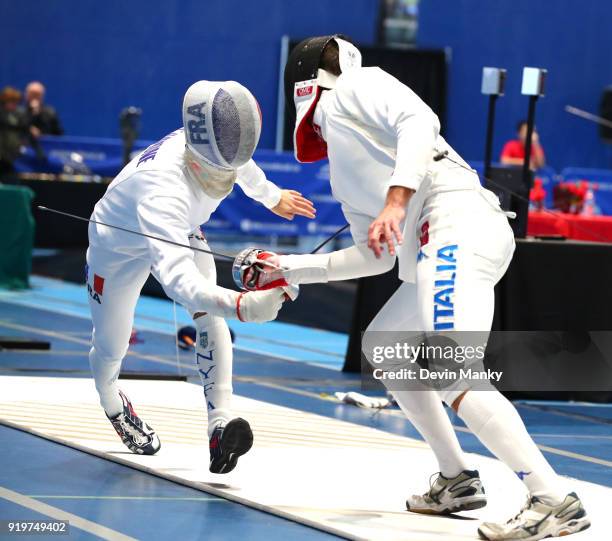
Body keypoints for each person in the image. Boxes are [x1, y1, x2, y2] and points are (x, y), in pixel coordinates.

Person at [239, 36, 589, 540]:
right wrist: (289, 268)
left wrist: (398, 201)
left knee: (451, 367)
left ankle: (553, 498)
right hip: (441, 242)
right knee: (384, 345)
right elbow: (373, 255)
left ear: (304, 80)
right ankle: (456, 479)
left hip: (456, 224)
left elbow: (419, 124)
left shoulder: (359, 86)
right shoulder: (342, 171)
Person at [87, 80, 315, 474]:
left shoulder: (219, 140)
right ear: (199, 154)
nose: (232, 168)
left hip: (184, 228)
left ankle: (220, 425)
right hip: (118, 247)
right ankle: (111, 400)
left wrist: (272, 196)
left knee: (210, 317)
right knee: (112, 344)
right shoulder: (163, 191)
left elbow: (244, 164)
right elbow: (179, 283)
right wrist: (241, 304)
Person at [0, 86, 29, 177]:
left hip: (10, 157)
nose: (15, 105)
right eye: (12, 102)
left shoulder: (17, 115)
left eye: (16, 103)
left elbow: (24, 126)